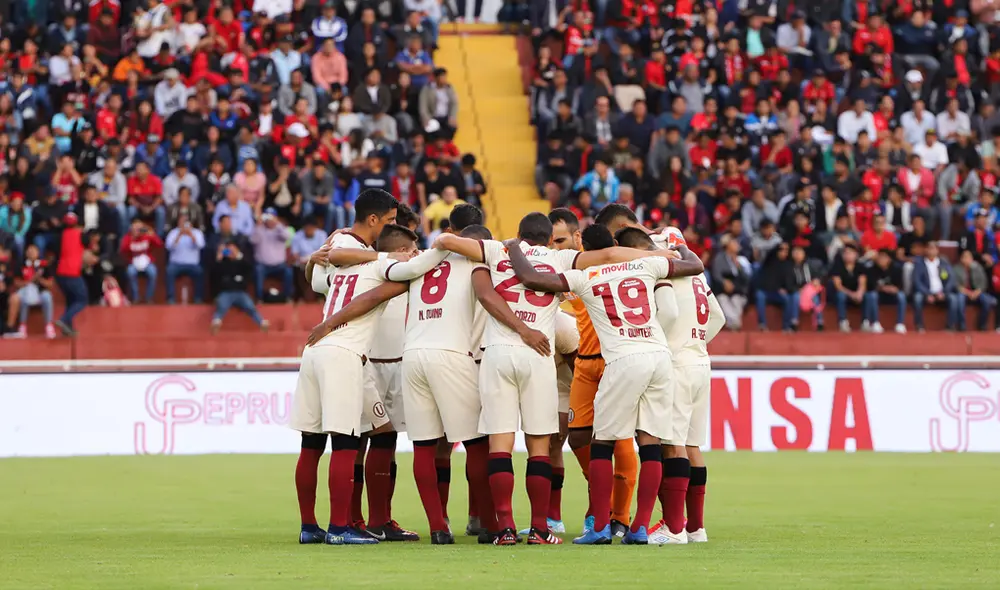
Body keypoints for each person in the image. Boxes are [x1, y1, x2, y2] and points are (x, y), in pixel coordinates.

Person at [433, 212, 681, 544]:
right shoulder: (561, 258)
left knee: (500, 445)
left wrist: (500, 246)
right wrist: (656, 254)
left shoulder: (495, 250)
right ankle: (540, 527)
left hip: (497, 350)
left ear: (519, 235)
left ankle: (504, 528)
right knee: (540, 445)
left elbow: (445, 241)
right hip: (540, 352)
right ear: (550, 239)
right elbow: (607, 255)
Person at [501, 223, 705, 545]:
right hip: (659, 356)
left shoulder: (585, 277)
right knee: (650, 441)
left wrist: (513, 248)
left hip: (623, 360)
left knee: (602, 442)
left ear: (586, 252)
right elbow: (695, 266)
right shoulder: (645, 264)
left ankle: (598, 528)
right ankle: (638, 528)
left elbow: (532, 279)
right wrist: (678, 244)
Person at [294, 224, 447, 545]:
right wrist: (446, 245)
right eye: (410, 248)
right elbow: (381, 291)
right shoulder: (384, 265)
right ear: (398, 250)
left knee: (313, 444)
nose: (414, 252)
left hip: (314, 353)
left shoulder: (343, 271)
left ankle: (310, 527)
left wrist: (311, 261)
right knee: (346, 444)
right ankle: (339, 528)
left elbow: (318, 276)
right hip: (345, 354)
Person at [555, 206, 640, 538]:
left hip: (611, 361)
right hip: (584, 364)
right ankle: (602, 497)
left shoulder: (599, 274)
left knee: (618, 439)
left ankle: (617, 516)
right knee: (577, 435)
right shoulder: (585, 274)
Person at [643, 225, 725, 546]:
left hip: (676, 364)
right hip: (700, 362)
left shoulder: (665, 274)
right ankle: (696, 527)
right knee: (692, 446)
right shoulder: (698, 279)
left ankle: (674, 528)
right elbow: (717, 317)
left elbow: (669, 312)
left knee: (671, 445)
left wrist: (661, 343)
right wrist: (695, 341)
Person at [211, 241, 269, 334]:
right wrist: (219, 259)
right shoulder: (222, 264)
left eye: (232, 249)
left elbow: (249, 270)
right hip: (226, 292)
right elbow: (214, 275)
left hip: (240, 292)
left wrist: (238, 257)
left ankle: (261, 323)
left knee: (250, 306)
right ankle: (216, 322)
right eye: (228, 250)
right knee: (222, 305)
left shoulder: (242, 262)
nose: (230, 252)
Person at [912, 241, 960, 332]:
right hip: (926, 292)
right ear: (925, 250)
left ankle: (950, 326)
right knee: (917, 298)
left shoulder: (944, 263)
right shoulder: (919, 263)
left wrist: (944, 292)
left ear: (937, 250)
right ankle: (919, 325)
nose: (931, 251)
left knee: (953, 299)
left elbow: (951, 279)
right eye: (929, 248)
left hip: (942, 292)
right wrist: (927, 293)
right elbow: (917, 281)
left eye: (933, 248)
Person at [54, 212, 88, 336]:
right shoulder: (81, 235)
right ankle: (63, 320)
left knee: (71, 300)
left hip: (60, 273)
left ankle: (67, 329)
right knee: (82, 299)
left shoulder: (60, 235)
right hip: (72, 272)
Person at [13, 244, 56, 339]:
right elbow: (16, 283)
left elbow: (50, 283)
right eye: (29, 251)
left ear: (38, 253)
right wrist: (31, 280)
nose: (31, 253)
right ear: (26, 253)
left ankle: (49, 325)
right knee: (24, 299)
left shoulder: (44, 265)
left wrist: (39, 279)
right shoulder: (21, 265)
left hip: (40, 291)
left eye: (34, 251)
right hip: (26, 290)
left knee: (47, 297)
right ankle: (22, 326)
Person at [251, 208, 293, 302]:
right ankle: (259, 298)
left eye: (272, 217)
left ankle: (287, 297)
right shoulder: (260, 229)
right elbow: (253, 240)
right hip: (263, 266)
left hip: (279, 266)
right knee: (258, 270)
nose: (269, 220)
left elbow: (287, 236)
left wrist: (277, 224)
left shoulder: (279, 229)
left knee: (288, 271)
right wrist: (258, 225)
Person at [164, 213, 206, 304]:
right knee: (169, 271)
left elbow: (200, 246)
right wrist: (179, 235)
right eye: (182, 221)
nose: (184, 223)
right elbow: (169, 247)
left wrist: (191, 235)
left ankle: (198, 298)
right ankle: (170, 298)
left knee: (200, 272)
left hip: (192, 265)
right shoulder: (173, 233)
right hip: (176, 264)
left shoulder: (197, 232)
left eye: (186, 221)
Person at [120, 219, 163, 304]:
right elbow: (123, 250)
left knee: (153, 273)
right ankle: (136, 297)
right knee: (130, 272)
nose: (138, 230)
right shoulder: (127, 237)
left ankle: (149, 297)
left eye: (139, 227)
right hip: (133, 262)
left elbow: (159, 244)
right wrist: (132, 238)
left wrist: (152, 234)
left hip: (147, 262)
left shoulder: (146, 236)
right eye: (136, 228)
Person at [953, 249, 996, 332]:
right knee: (959, 299)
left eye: (969, 257)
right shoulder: (956, 269)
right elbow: (956, 285)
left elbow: (983, 283)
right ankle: (962, 325)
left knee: (987, 301)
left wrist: (977, 292)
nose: (967, 259)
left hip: (976, 292)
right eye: (965, 257)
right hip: (964, 292)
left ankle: (982, 325)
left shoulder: (978, 267)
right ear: (961, 259)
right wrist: (968, 293)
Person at [830, 244, 867, 332]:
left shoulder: (860, 267)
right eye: (845, 253)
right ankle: (843, 321)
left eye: (850, 253)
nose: (848, 255)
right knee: (840, 295)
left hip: (856, 294)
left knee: (869, 295)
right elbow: (838, 286)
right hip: (843, 294)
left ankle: (866, 321)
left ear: (856, 255)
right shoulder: (837, 267)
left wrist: (859, 293)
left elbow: (862, 283)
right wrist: (851, 294)